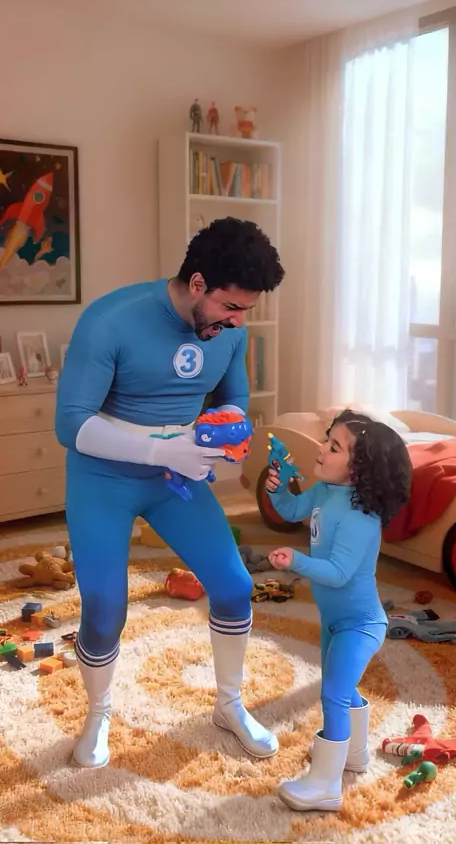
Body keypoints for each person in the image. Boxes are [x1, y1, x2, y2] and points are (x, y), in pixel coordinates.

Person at [55, 216, 285, 769]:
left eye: (246, 311)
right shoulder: (109, 320)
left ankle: (229, 705)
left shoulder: (230, 331)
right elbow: (71, 424)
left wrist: (223, 436)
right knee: (105, 608)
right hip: (102, 478)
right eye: (231, 306)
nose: (238, 321)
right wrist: (163, 451)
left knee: (234, 586)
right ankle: (98, 713)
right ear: (198, 283)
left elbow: (233, 400)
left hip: (176, 479)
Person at [266, 409, 411, 812]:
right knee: (341, 685)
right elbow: (292, 509)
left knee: (332, 694)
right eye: (327, 440)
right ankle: (355, 754)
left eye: (334, 446)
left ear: (358, 469)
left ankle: (325, 785)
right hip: (334, 620)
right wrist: (278, 489)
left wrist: (296, 561)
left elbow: (338, 573)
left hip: (361, 624)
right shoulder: (325, 491)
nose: (321, 448)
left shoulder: (361, 518)